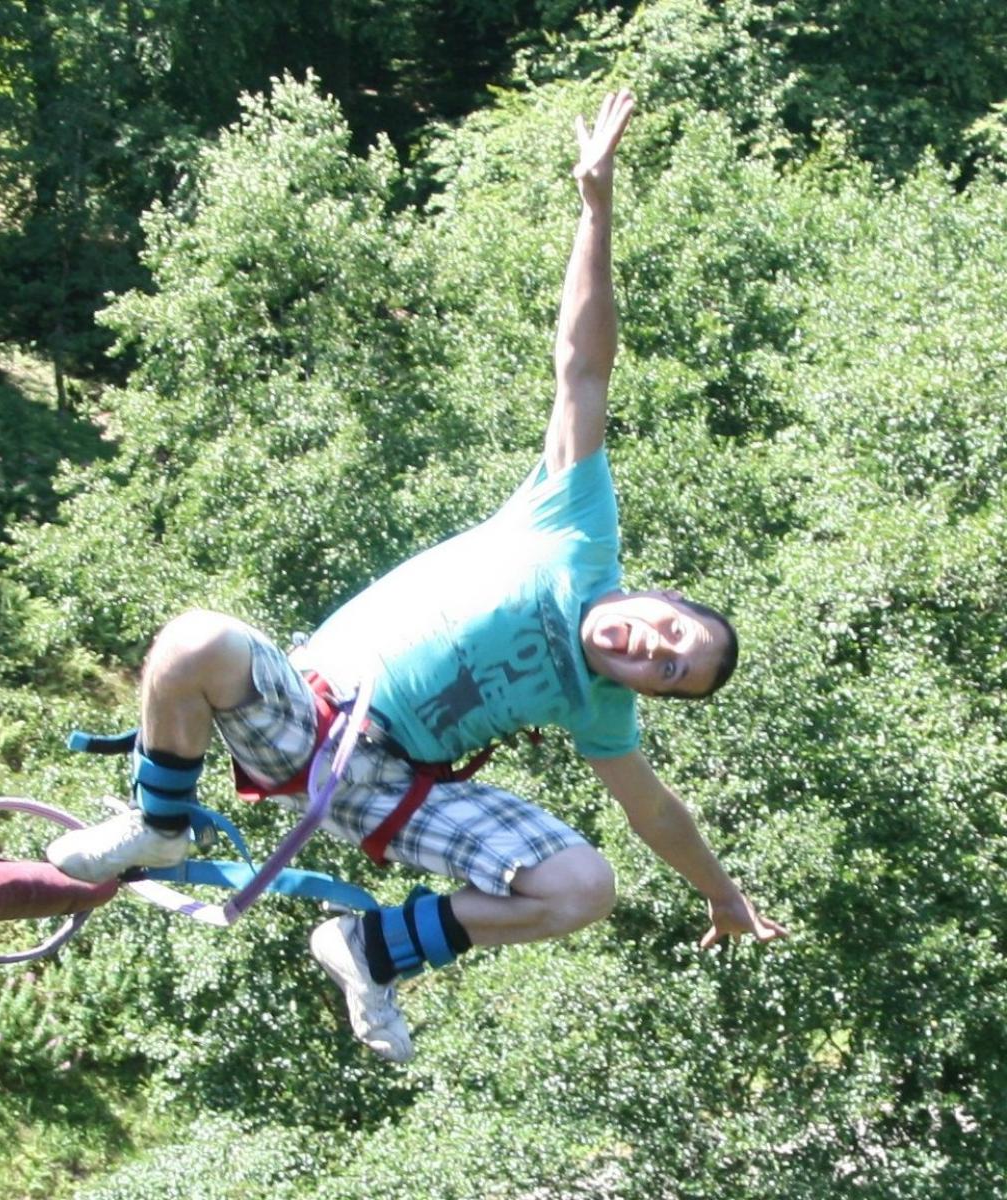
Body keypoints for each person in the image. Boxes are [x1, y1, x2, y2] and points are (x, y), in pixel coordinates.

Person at [47, 88, 787, 1063]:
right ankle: (159, 824)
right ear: (657, 596)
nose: (653, 654)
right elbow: (583, 365)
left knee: (583, 886)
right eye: (671, 635)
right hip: (311, 716)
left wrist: (724, 896)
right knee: (193, 641)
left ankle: (370, 950)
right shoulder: (574, 527)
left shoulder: (598, 709)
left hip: (392, 786)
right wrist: (596, 208)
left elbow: (653, 809)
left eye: (670, 675)